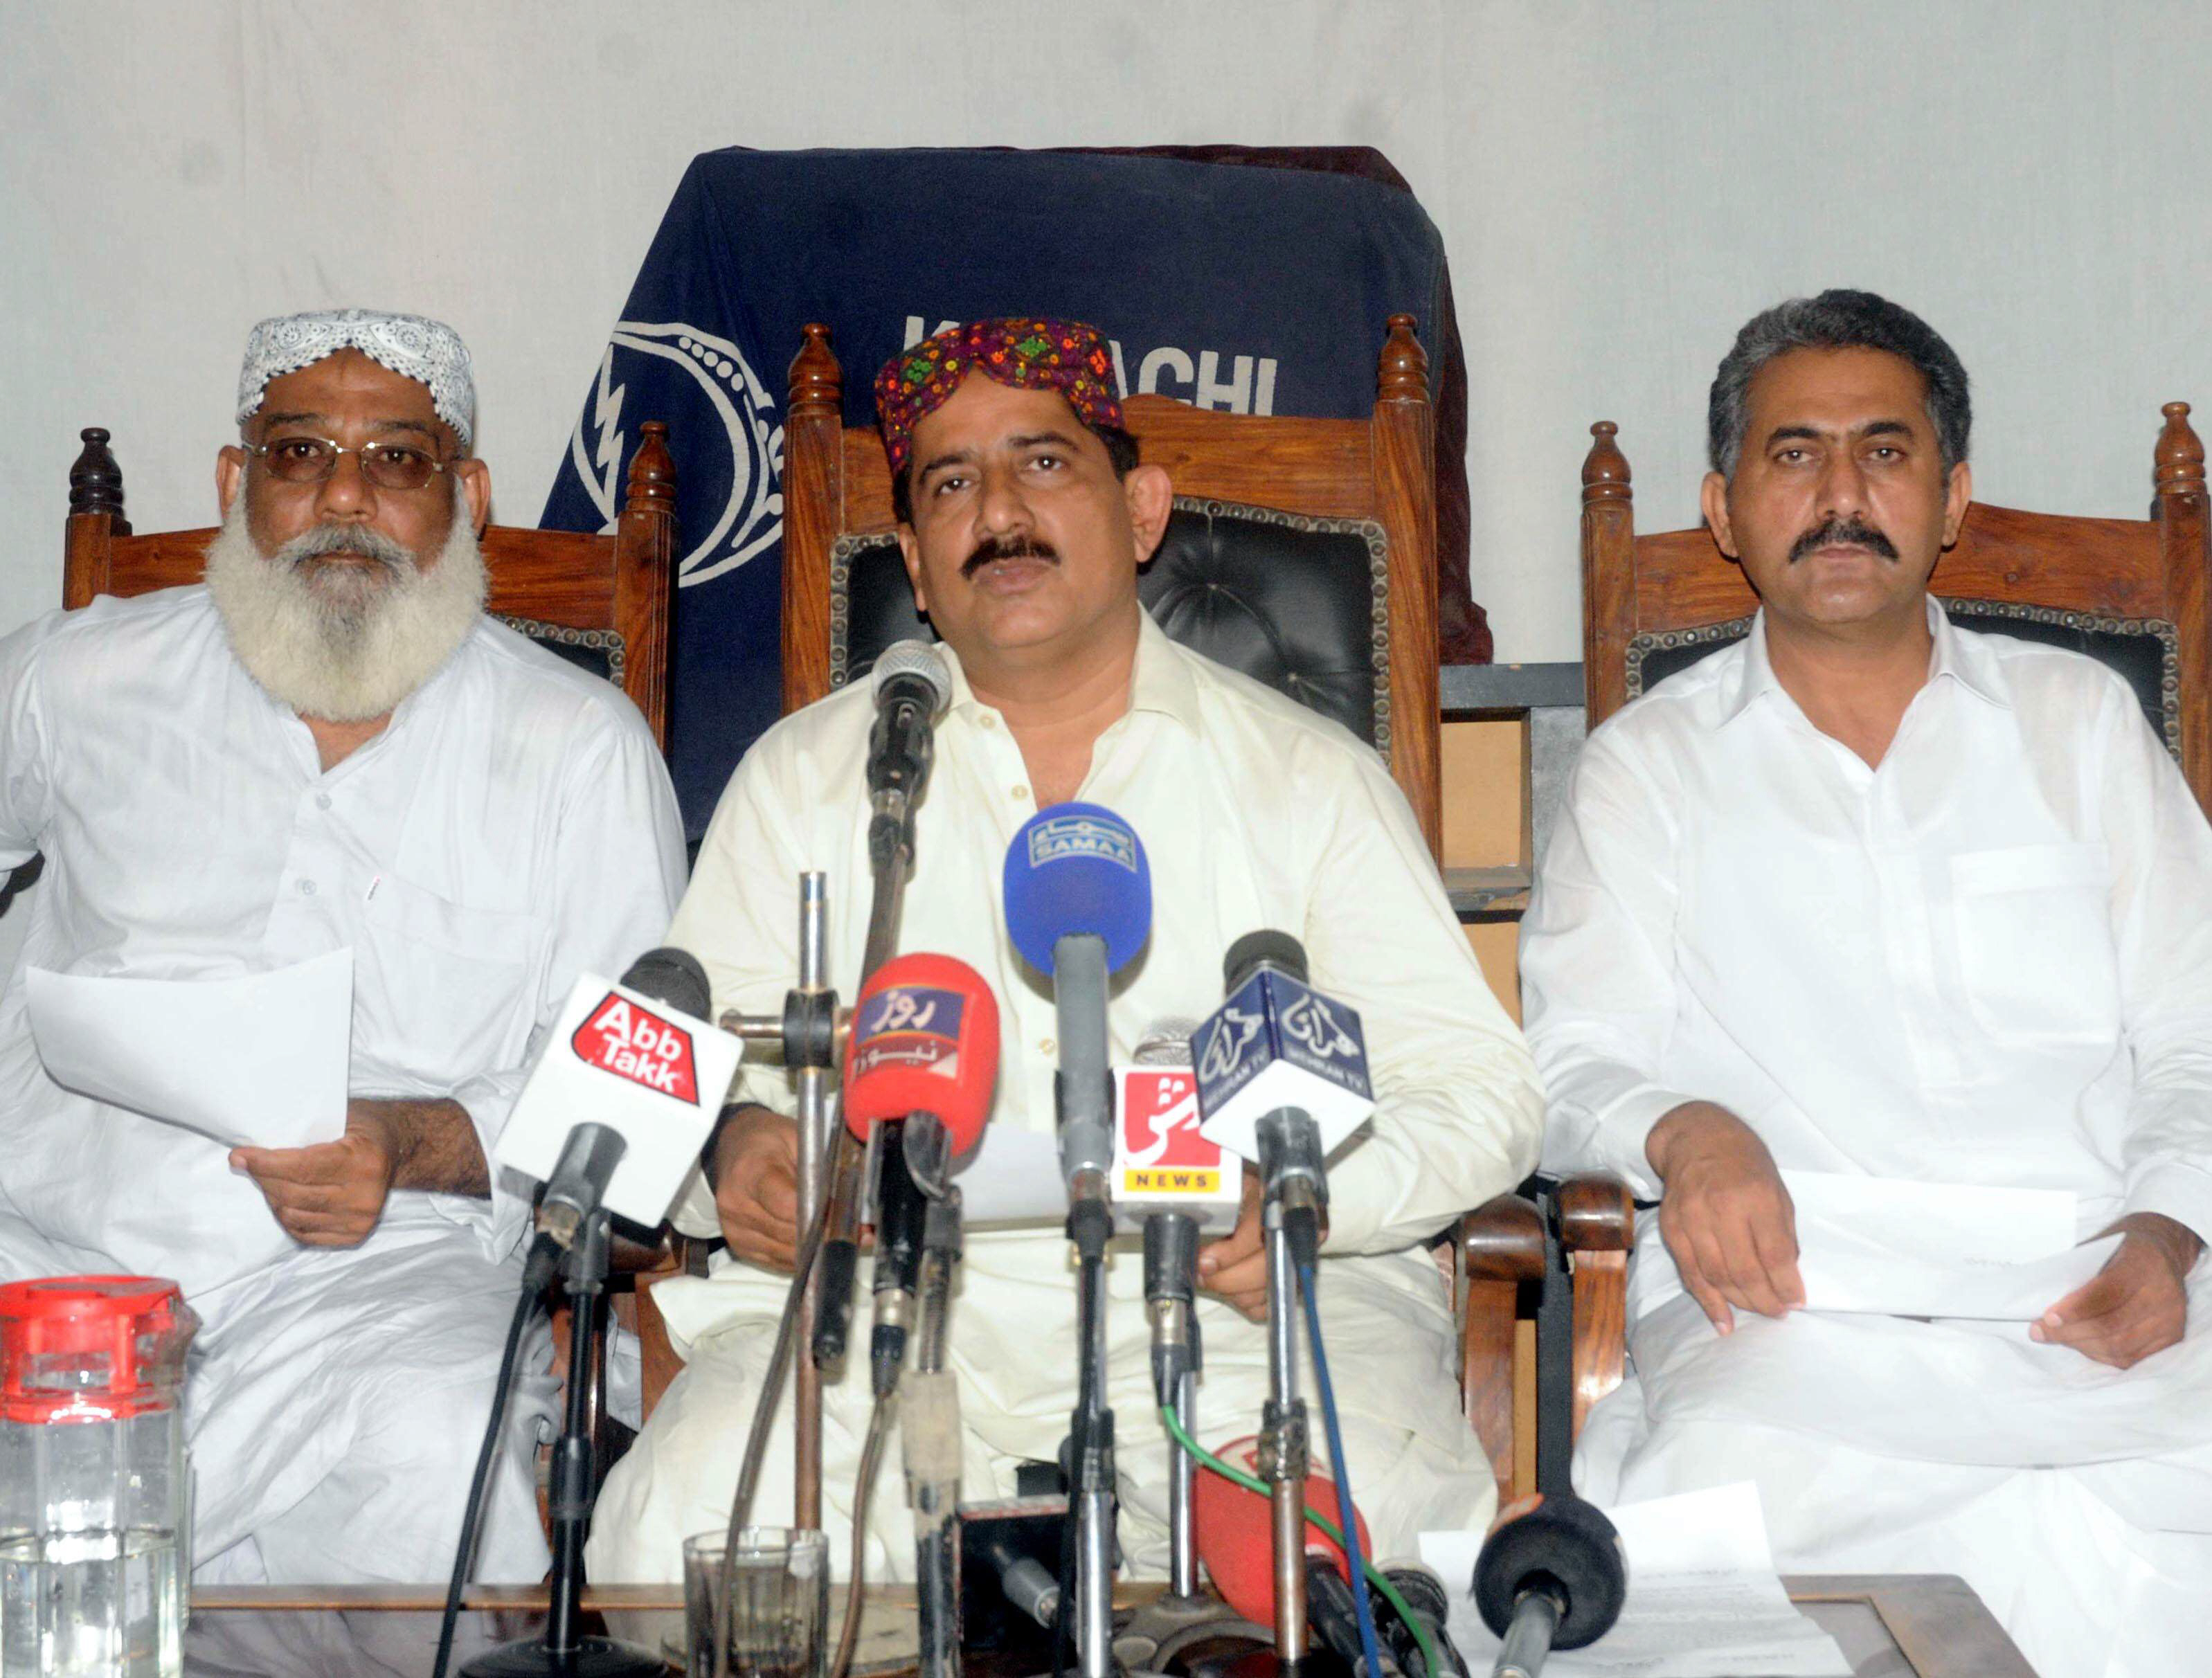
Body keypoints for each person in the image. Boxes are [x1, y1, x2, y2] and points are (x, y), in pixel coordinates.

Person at [589, 317, 1541, 1584]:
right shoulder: (807, 779)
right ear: (918, 567)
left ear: (1141, 511)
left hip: (1232, 1310)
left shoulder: (1306, 778)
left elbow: (1484, 1093)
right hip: (884, 1323)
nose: (998, 511)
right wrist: (732, 1154)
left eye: (1043, 465)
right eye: (950, 483)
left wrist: (1311, 1204)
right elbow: (693, 1067)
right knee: (690, 1521)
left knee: (1370, 1533)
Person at [1521, 289, 2212, 1678]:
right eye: (1793, 456)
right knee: (1722, 1526)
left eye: (1882, 453)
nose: (1840, 496)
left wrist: (2166, 1236)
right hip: (1792, 1313)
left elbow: (2195, 1032)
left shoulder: (2078, 726)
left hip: (2087, 1298)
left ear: (1949, 495)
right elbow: (1564, 1062)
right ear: (1723, 508)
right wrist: (1683, 1131)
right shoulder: (1648, 767)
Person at [0, 309, 686, 1583]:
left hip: (370, 1284)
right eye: (299, 454)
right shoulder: (75, 682)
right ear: (234, 484)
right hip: (50, 1252)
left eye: (400, 462)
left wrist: (408, 1142)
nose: (345, 500)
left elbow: (635, 1114)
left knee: (438, 1447)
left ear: (467, 495)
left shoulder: (576, 749)